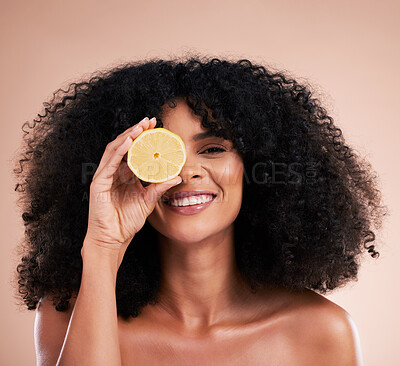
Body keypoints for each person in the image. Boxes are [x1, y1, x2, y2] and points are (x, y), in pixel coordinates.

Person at [12, 56, 388, 365]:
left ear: (255, 168)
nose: (186, 172)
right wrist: (103, 249)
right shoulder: (68, 315)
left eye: (212, 149)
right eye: (161, 153)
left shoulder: (320, 331)